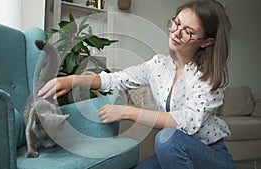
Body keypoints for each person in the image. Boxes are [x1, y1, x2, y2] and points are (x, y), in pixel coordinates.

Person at [38, 0, 236, 168]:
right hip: (175, 151)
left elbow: (187, 123)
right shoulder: (158, 65)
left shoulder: (208, 77)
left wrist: (127, 112)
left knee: (167, 138)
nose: (176, 33)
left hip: (210, 155)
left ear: (206, 42)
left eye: (188, 32)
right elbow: (119, 78)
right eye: (176, 23)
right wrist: (74, 80)